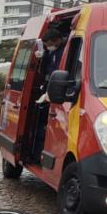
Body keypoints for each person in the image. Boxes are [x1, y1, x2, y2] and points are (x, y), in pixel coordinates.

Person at [31, 29, 66, 162]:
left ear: (57, 40)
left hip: (58, 90)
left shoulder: (66, 50)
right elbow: (45, 69)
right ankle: (37, 154)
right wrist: (42, 56)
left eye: (49, 44)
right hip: (48, 87)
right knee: (41, 122)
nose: (48, 46)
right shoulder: (52, 51)